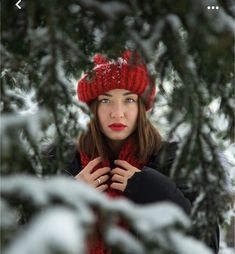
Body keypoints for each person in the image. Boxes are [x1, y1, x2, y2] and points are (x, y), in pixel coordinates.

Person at [44, 50, 219, 253]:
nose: (117, 112)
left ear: (142, 108)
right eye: (105, 100)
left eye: (129, 100)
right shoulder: (61, 162)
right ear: (92, 108)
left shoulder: (175, 163)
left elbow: (207, 245)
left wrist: (156, 190)